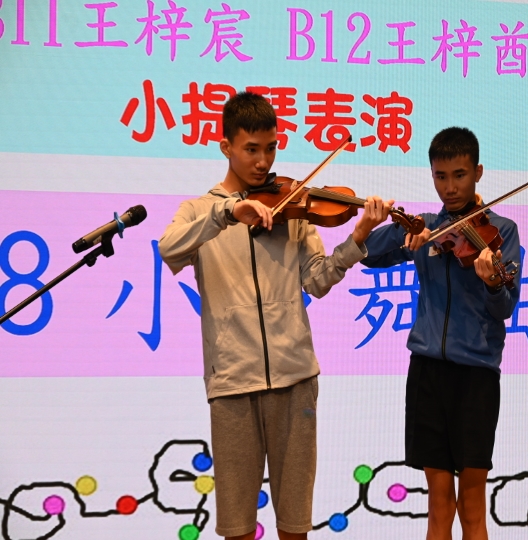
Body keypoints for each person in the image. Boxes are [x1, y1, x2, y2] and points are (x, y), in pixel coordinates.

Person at [158, 91, 392, 540]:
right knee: (237, 526)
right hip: (232, 383)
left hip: (295, 376)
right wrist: (228, 212)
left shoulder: (293, 208)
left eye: (271, 148)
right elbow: (170, 249)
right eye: (251, 149)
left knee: (295, 525)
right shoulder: (199, 211)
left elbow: (318, 280)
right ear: (226, 146)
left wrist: (358, 238)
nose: (263, 161)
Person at [361, 127, 521, 540]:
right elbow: (369, 256)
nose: (450, 187)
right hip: (427, 372)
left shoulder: (501, 232)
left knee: (473, 505)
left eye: (460, 175)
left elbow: (504, 307)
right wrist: (399, 231)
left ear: (478, 173)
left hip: (476, 375)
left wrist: (492, 283)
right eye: (440, 176)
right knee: (437, 505)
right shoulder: (428, 228)